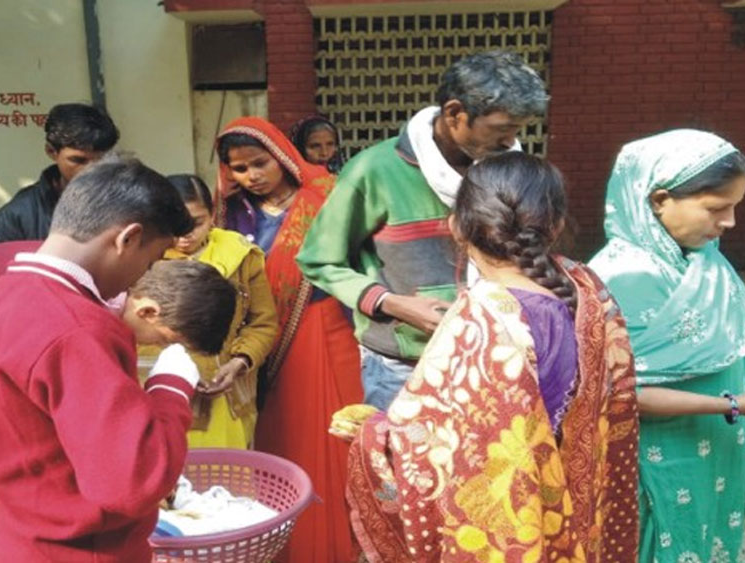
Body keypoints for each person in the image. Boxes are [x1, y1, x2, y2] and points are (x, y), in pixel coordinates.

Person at [341, 152, 639, 562]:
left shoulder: (478, 322)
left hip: (514, 528)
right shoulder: (587, 291)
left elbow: (438, 457)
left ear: (456, 227)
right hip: (573, 515)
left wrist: (373, 436)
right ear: (554, 226)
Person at [0, 155, 214, 562]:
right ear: (127, 239)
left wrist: (31, 460)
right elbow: (136, 482)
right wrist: (170, 387)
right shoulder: (79, 331)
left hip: (12, 541)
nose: (142, 277)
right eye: (151, 260)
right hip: (81, 550)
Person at [0, 242, 236, 562]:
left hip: (10, 532)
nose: (153, 349)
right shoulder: (73, 322)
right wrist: (168, 390)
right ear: (148, 311)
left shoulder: (88, 282)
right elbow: (130, 480)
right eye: (163, 340)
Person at [588, 129, 745, 562]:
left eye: (734, 207)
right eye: (717, 208)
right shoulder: (623, 277)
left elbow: (691, 320)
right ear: (658, 200)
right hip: (659, 460)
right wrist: (736, 405)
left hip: (714, 454)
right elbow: (621, 392)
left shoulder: (700, 256)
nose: (729, 222)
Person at [297, 50, 548, 410]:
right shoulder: (373, 171)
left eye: (517, 131)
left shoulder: (507, 172)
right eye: (501, 129)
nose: (511, 141)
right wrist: (392, 303)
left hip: (492, 355)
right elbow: (318, 260)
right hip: (401, 366)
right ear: (454, 113)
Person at [215, 117, 363, 563]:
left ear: (281, 154)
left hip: (323, 326)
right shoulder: (232, 211)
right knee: (277, 433)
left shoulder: (325, 196)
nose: (251, 176)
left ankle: (337, 540)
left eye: (259, 163)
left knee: (328, 431)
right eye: (239, 169)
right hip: (257, 343)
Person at [136, 173, 277, 449]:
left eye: (196, 223)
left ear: (213, 215)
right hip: (155, 393)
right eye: (176, 225)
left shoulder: (240, 255)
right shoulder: (142, 258)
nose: (185, 235)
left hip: (228, 394)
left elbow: (264, 322)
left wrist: (240, 361)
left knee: (228, 479)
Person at [0, 102, 118, 244]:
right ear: (51, 152)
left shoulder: (129, 203)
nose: (91, 170)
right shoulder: (13, 220)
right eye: (78, 160)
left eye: (101, 160)